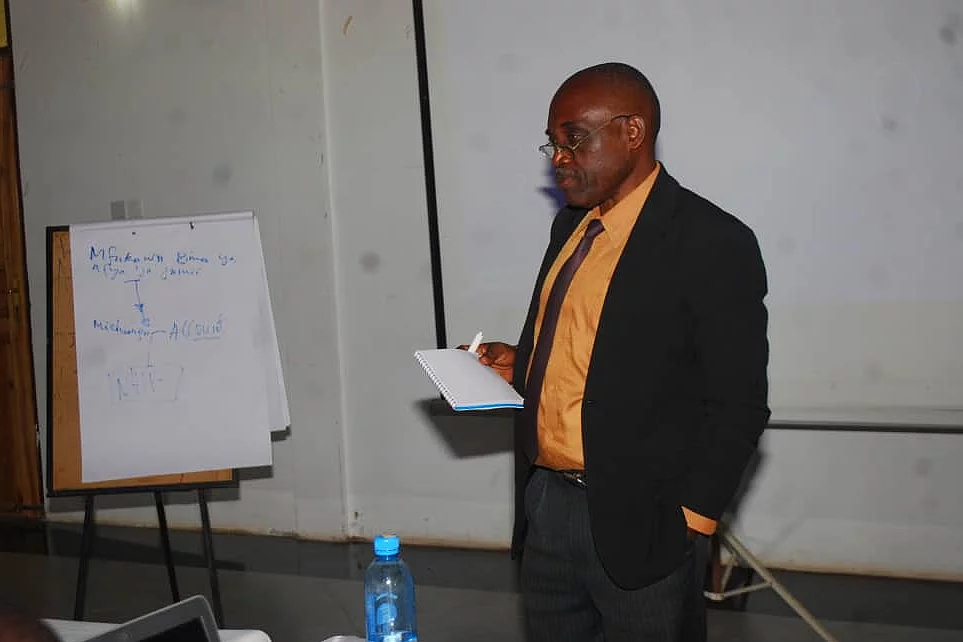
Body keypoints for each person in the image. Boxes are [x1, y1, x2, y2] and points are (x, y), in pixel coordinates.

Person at [469, 63, 770, 641]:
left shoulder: (711, 241)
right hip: (548, 509)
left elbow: (739, 404)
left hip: (646, 523)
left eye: (572, 139)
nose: (558, 158)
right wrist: (521, 362)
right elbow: (593, 352)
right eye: (552, 143)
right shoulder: (570, 229)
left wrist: (691, 523)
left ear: (632, 132)